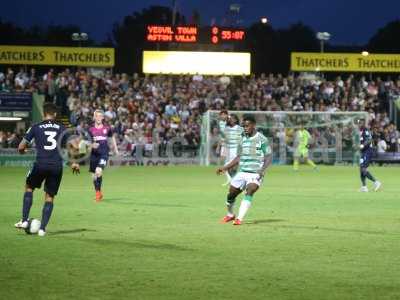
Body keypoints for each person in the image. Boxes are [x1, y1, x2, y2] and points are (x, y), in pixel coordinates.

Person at [14, 103, 80, 236]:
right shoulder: (62, 128)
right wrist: (73, 162)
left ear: (44, 114)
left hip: (40, 164)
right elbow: (74, 145)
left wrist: (23, 151)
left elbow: (21, 147)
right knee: (49, 197)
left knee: (29, 187)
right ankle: (42, 229)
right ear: (55, 114)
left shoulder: (35, 127)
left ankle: (25, 220)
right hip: (56, 166)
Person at [216, 115, 272, 225]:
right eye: (244, 126)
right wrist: (225, 168)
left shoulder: (262, 139)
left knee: (250, 190)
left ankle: (239, 219)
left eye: (247, 126)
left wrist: (262, 170)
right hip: (242, 172)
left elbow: (269, 156)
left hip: (255, 173)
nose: (245, 128)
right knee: (231, 194)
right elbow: (238, 157)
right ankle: (230, 215)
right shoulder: (242, 138)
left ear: (253, 125)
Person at [89, 109, 119, 202]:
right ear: (94, 117)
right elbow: (87, 142)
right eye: (97, 116)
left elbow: (112, 137)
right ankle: (98, 192)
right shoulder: (90, 129)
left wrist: (116, 149)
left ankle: (98, 195)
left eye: (100, 116)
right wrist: (91, 145)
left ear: (102, 118)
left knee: (98, 171)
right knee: (94, 176)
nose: (98, 118)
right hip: (94, 155)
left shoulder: (107, 128)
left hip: (104, 154)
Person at [359, 121, 381, 192]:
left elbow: (369, 140)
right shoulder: (360, 131)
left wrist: (363, 145)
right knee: (361, 168)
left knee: (363, 168)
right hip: (363, 152)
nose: (359, 124)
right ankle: (364, 187)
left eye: (360, 123)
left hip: (367, 152)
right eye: (358, 123)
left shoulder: (366, 130)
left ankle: (376, 182)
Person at [221, 114, 243, 185]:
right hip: (228, 149)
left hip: (235, 149)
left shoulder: (239, 128)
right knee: (227, 166)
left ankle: (233, 180)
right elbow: (224, 138)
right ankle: (232, 180)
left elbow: (244, 137)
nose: (230, 120)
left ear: (236, 120)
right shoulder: (226, 128)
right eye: (230, 119)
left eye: (232, 119)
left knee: (231, 166)